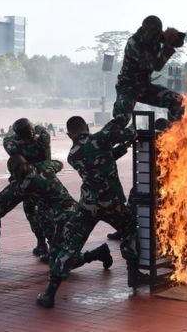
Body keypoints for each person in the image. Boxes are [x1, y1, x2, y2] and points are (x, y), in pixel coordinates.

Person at [36, 116, 139, 308]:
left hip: (88, 206)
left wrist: (119, 149)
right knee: (131, 231)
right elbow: (125, 136)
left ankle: (50, 293)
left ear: (69, 134)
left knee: (70, 246)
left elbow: (97, 161)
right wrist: (127, 139)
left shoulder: (72, 155)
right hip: (112, 204)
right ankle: (133, 273)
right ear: (86, 127)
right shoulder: (100, 139)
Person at [8, 155, 112, 269]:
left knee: (58, 265)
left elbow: (13, 193)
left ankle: (97, 254)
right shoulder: (45, 167)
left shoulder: (26, 185)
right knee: (57, 255)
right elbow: (59, 164)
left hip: (65, 219)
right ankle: (58, 254)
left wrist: (13, 180)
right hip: (68, 212)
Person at [0, 119, 49, 269]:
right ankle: (43, 246)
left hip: (21, 183)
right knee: (34, 212)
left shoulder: (13, 145)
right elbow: (40, 128)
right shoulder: (44, 139)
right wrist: (32, 128)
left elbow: (8, 140)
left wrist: (16, 132)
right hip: (42, 182)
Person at [112, 15, 185, 126]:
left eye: (156, 36)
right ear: (144, 30)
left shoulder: (155, 35)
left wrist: (173, 34)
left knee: (177, 100)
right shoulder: (134, 43)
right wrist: (167, 43)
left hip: (144, 87)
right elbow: (156, 65)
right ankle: (100, 141)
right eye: (152, 36)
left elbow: (179, 43)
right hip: (128, 88)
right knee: (121, 120)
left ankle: (173, 135)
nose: (154, 39)